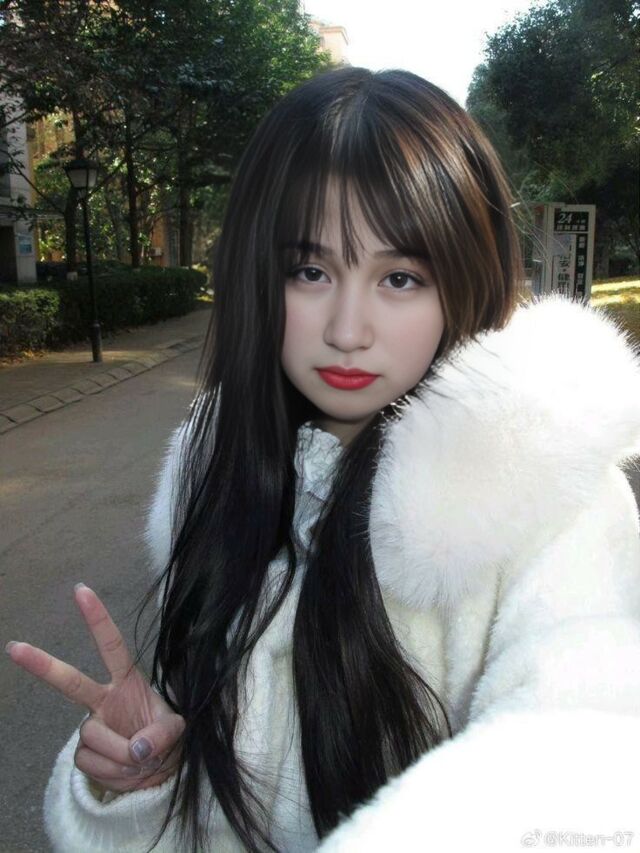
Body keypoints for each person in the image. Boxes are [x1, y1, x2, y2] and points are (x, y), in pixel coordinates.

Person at [6, 66, 640, 853]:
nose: (347, 329)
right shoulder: (215, 468)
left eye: (400, 278)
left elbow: (582, 752)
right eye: (310, 271)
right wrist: (144, 781)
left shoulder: (548, 488)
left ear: (464, 280)